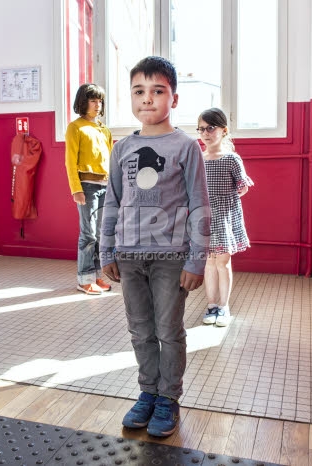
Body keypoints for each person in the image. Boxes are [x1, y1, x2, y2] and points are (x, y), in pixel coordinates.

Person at [100, 56, 211, 437]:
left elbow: (200, 204)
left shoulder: (186, 147)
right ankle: (147, 393)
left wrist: (197, 260)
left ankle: (168, 398)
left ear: (174, 99)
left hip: (170, 258)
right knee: (140, 331)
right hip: (129, 257)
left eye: (157, 91)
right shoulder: (121, 148)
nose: (148, 99)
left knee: (169, 330)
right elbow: (111, 202)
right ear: (131, 98)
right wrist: (106, 251)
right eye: (139, 91)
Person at [197, 108, 253, 327]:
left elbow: (242, 185)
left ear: (223, 130)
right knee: (209, 263)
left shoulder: (231, 158)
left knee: (222, 262)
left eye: (210, 128)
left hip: (224, 218)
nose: (205, 133)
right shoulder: (199, 158)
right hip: (204, 218)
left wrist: (238, 190)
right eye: (201, 129)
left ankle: (224, 306)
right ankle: (211, 305)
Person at [65, 83, 113, 295]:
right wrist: (76, 189)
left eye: (100, 101)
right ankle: (84, 279)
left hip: (106, 186)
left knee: (102, 235)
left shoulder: (103, 129)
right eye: (93, 100)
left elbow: (112, 160)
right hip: (87, 187)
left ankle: (97, 277)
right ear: (83, 103)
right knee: (88, 234)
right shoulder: (75, 127)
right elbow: (69, 161)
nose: (97, 104)